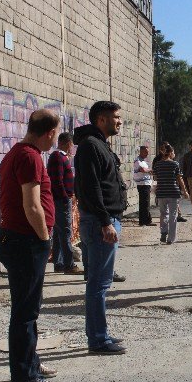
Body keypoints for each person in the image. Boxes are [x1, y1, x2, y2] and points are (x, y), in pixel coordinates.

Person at [0, 109, 61, 382]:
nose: (55, 140)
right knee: (25, 311)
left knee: (29, 308)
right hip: (26, 242)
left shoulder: (16, 153)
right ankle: (24, 377)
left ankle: (31, 362)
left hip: (19, 240)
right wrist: (45, 239)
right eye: (55, 135)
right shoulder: (30, 157)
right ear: (49, 132)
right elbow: (32, 205)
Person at [73, 100, 128, 355]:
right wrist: (106, 221)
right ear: (101, 119)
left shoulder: (99, 144)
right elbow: (91, 188)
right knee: (98, 284)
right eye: (115, 117)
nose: (119, 121)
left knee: (101, 283)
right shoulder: (90, 146)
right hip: (99, 222)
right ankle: (97, 339)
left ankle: (100, 334)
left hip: (104, 220)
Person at [47, 132, 83, 274]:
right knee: (65, 231)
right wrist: (65, 196)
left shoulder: (61, 157)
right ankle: (69, 264)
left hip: (61, 199)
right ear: (67, 143)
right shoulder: (58, 157)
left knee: (59, 232)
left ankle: (59, 262)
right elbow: (57, 180)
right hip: (61, 200)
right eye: (71, 144)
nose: (72, 147)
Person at [154, 144, 188, 244]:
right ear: (170, 153)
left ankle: (163, 231)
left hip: (161, 192)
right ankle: (171, 238)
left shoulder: (157, 164)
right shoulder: (175, 164)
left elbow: (155, 178)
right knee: (173, 215)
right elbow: (179, 179)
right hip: (173, 192)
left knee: (163, 213)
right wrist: (185, 191)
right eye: (173, 152)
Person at [133, 145, 154, 226]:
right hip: (142, 184)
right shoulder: (137, 161)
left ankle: (146, 220)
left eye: (148, 152)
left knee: (145, 203)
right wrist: (150, 170)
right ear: (141, 151)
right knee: (144, 203)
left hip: (146, 184)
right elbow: (143, 170)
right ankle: (144, 221)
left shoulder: (143, 161)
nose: (147, 153)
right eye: (145, 152)